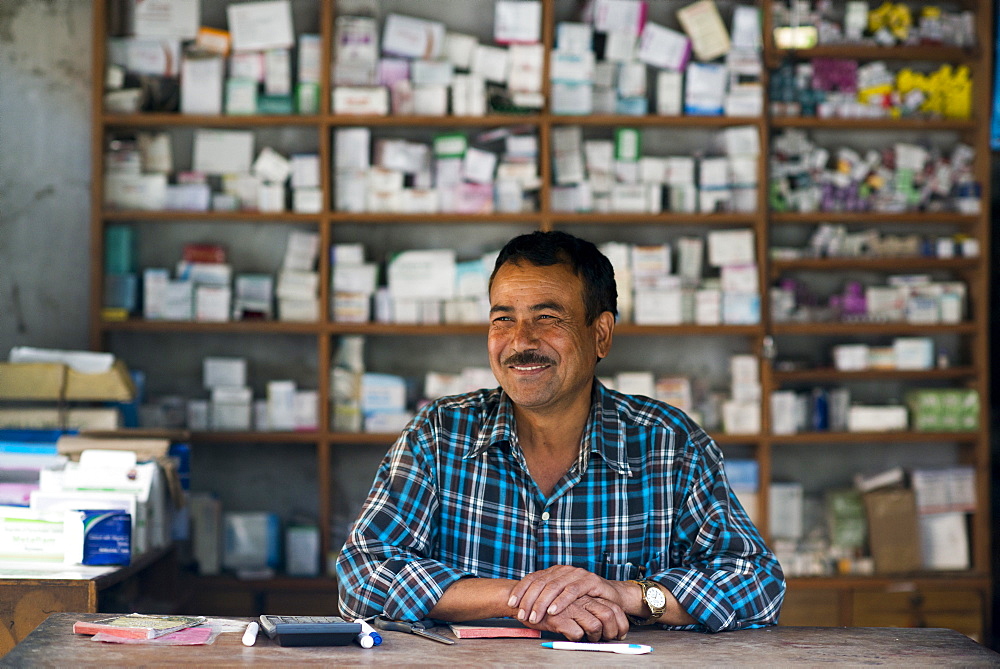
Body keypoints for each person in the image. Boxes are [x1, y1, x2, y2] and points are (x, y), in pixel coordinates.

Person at [336, 231, 785, 641]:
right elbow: (362, 575)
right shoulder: (440, 435)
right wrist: (526, 600)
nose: (520, 341)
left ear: (601, 334)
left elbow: (757, 582)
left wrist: (624, 595)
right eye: (503, 319)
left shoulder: (669, 445)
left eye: (547, 317)